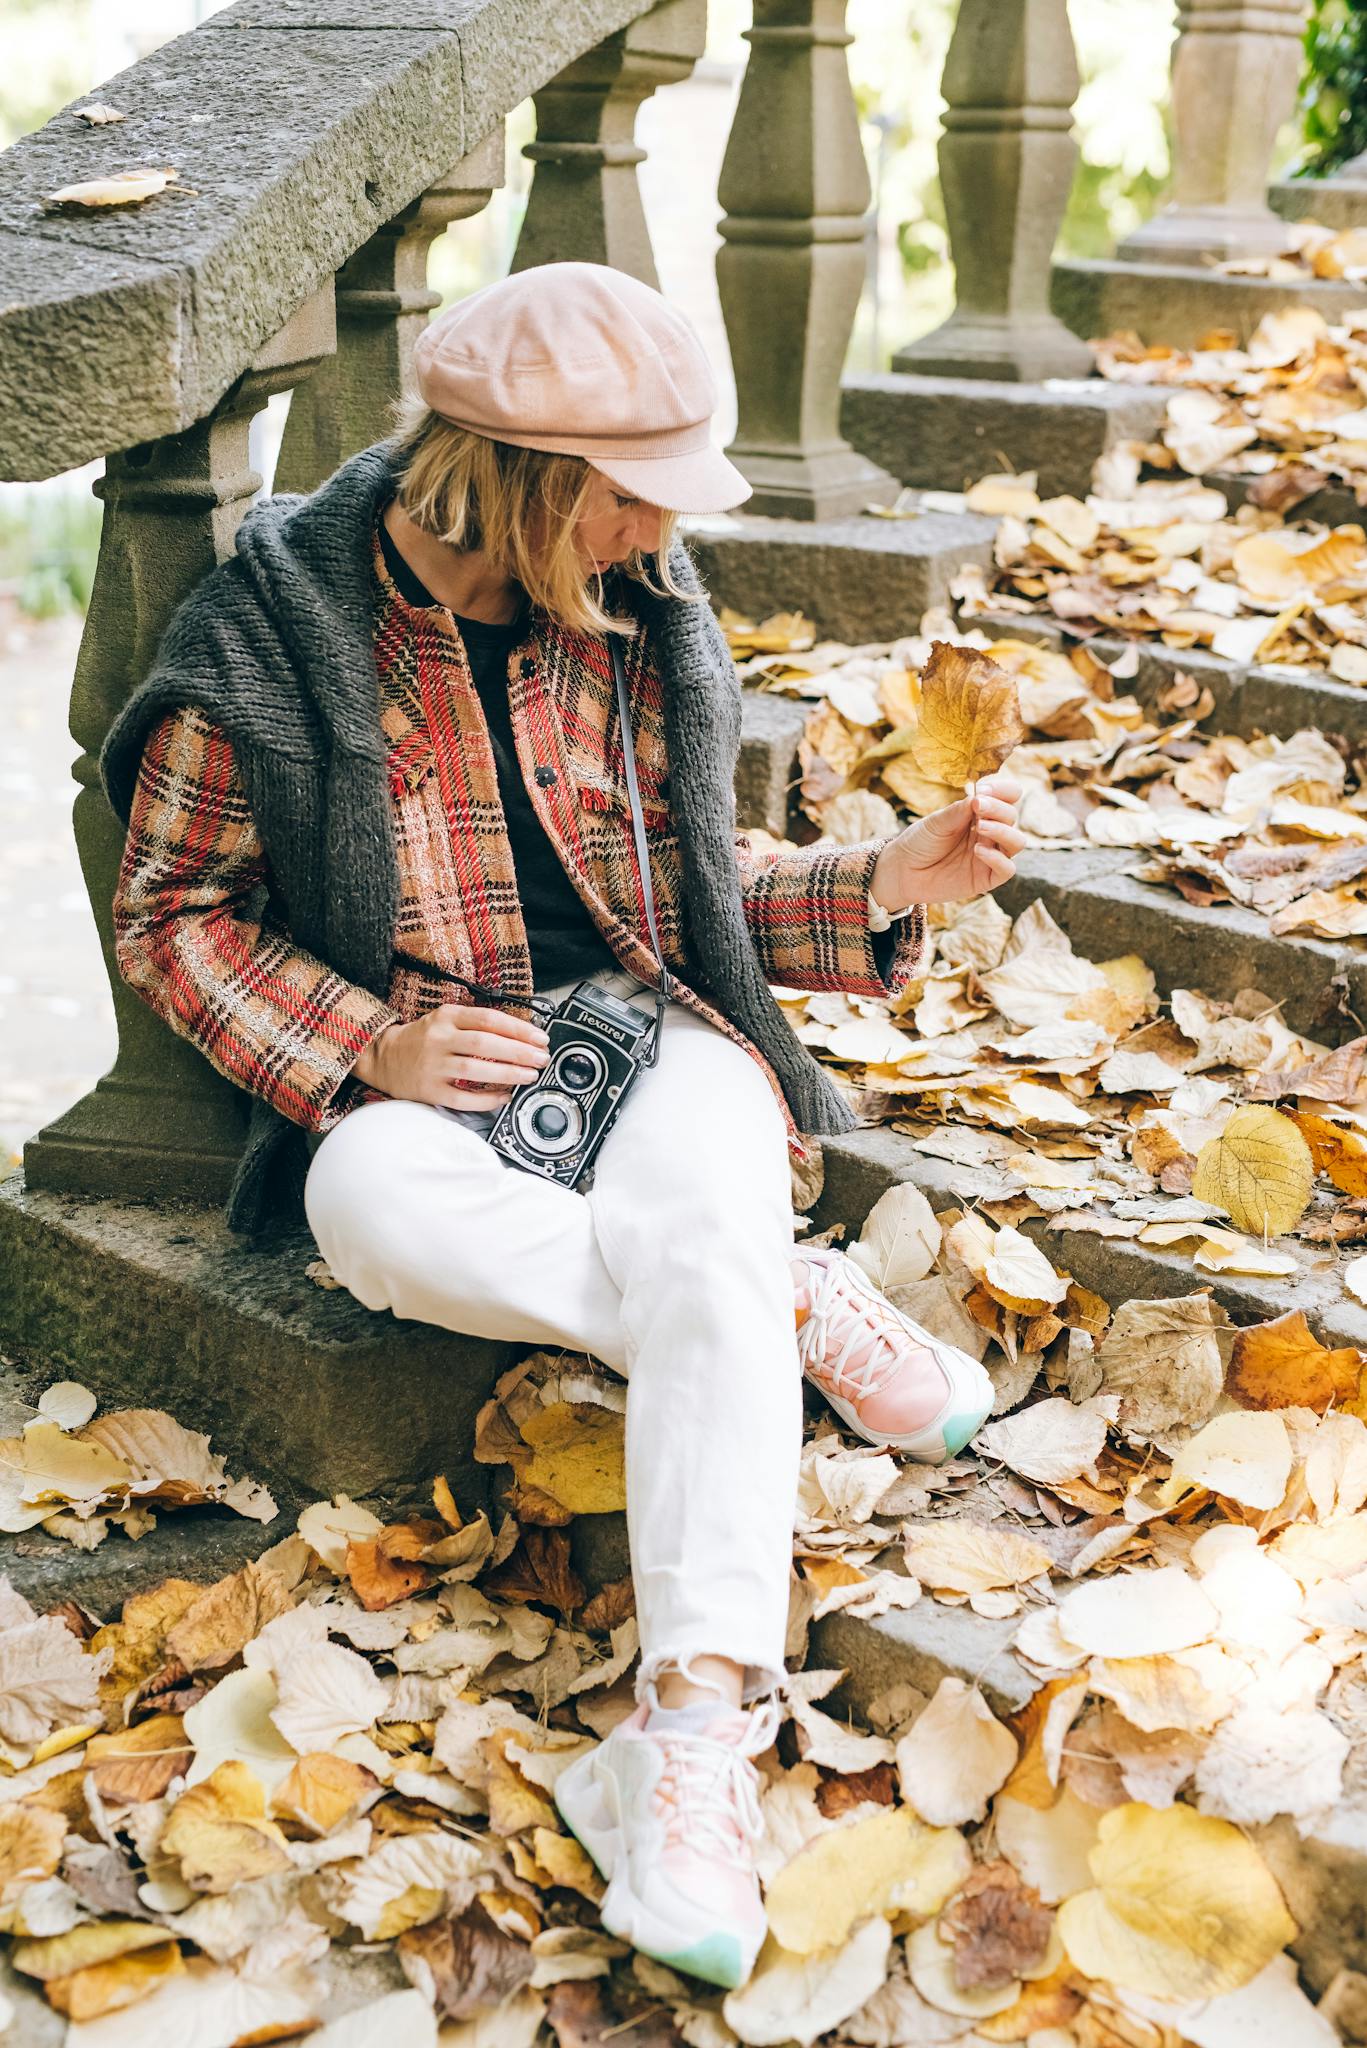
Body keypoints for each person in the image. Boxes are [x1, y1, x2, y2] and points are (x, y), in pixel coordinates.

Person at [100, 261, 1024, 1990]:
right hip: (432, 1085)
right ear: (535, 481)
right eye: (636, 495)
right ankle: (778, 1295)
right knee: (371, 1217)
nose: (658, 533)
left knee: (696, 1221)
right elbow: (174, 914)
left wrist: (880, 880)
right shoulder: (279, 634)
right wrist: (364, 1043)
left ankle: (688, 1750)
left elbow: (696, 898)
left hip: (655, 1040)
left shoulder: (638, 606)